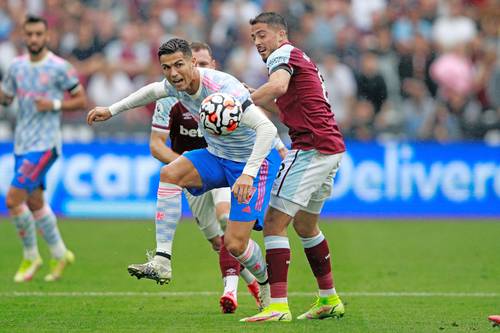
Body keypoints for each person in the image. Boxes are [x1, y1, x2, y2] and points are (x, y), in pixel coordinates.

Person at [87, 38, 281, 312]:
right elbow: (151, 91)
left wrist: (248, 175)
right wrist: (111, 110)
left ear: (193, 63)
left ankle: (265, 282)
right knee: (169, 173)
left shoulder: (225, 90)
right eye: (167, 67)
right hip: (216, 155)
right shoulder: (173, 85)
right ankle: (162, 260)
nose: (173, 73)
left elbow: (268, 131)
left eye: (179, 65)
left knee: (235, 244)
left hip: (252, 164)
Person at [127, 42, 261, 313]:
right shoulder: (170, 98)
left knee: (226, 219)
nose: (193, 69)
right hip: (196, 172)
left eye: (202, 64)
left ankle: (231, 290)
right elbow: (156, 144)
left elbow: (260, 126)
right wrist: (184, 168)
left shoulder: (224, 94)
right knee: (217, 242)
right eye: (192, 63)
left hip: (227, 165)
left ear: (212, 66)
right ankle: (255, 284)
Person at [240, 12, 346, 322]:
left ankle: (278, 306)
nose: (258, 42)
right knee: (305, 226)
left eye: (261, 35)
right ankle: (329, 299)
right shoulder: (298, 57)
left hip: (311, 147)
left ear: (280, 34)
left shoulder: (282, 54)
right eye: (253, 38)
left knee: (273, 222)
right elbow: (281, 101)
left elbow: (277, 88)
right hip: (330, 146)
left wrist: (241, 106)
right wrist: (253, 99)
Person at [0, 16, 87, 282]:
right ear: (24, 37)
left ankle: (31, 256)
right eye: (30, 34)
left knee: (14, 199)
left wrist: (55, 105)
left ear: (47, 36)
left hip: (46, 144)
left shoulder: (60, 67)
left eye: (39, 34)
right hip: (22, 142)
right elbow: (7, 99)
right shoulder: (15, 67)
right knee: (35, 201)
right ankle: (60, 254)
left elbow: (81, 99)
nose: (34, 39)